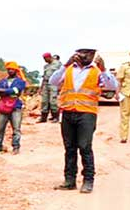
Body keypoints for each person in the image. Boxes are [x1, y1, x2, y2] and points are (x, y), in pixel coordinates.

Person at [50, 49, 118, 194]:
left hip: (87, 113)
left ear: (94, 56)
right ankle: (69, 180)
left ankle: (88, 180)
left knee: (85, 146)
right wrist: (64, 65)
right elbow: (53, 81)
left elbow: (112, 86)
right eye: (82, 52)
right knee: (69, 148)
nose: (84, 56)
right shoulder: (68, 69)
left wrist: (104, 69)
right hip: (68, 112)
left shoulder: (97, 71)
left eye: (88, 53)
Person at [0, 62, 28, 154]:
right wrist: (9, 91)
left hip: (16, 106)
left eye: (12, 69)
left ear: (16, 70)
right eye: (8, 69)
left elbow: (17, 90)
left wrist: (4, 91)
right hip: (3, 106)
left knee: (16, 128)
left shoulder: (20, 81)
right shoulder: (2, 81)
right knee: (0, 128)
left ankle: (16, 147)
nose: (10, 70)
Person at [39, 52, 63, 122]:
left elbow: (62, 74)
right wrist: (41, 87)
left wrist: (60, 85)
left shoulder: (58, 64)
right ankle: (43, 117)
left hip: (54, 83)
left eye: (45, 58)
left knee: (53, 100)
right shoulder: (46, 66)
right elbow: (44, 77)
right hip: (46, 83)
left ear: (49, 57)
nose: (45, 60)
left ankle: (55, 116)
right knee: (44, 100)